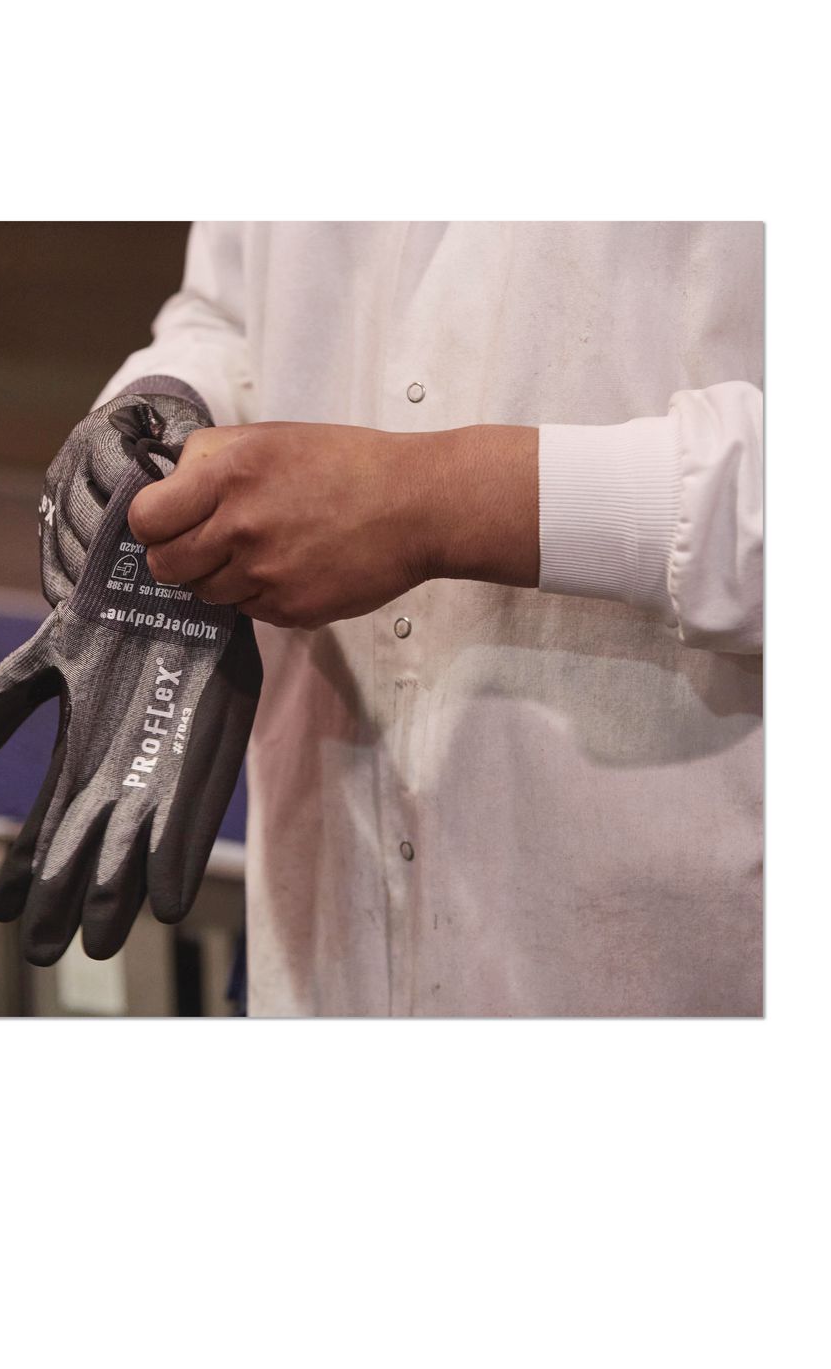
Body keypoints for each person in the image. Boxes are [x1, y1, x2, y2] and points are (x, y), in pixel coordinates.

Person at [92, 222, 762, 1016]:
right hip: (324, 920)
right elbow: (229, 315)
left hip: (674, 953)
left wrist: (437, 502)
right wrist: (161, 415)